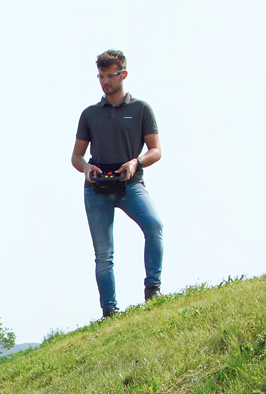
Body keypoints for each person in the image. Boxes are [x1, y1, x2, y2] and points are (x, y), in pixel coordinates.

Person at [72, 49, 163, 319]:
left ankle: (153, 289)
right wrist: (86, 167)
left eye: (110, 76)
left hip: (130, 184)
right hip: (97, 190)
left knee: (154, 225)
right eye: (100, 76)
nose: (104, 82)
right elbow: (76, 156)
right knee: (104, 253)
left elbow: (156, 150)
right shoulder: (90, 114)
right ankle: (109, 310)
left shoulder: (141, 109)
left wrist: (136, 162)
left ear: (123, 74)